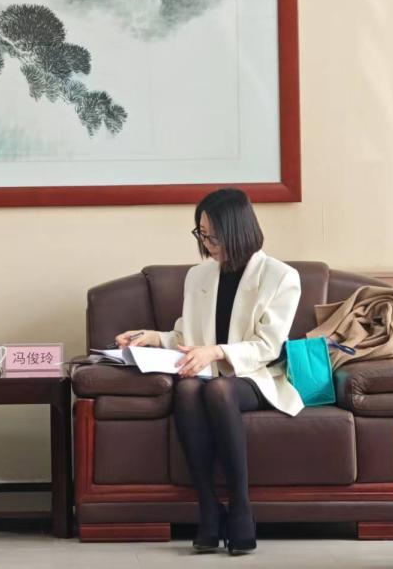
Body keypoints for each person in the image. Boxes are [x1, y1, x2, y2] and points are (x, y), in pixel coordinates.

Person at [115, 188, 303, 555]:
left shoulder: (281, 276)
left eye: (213, 236)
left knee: (219, 389)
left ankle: (241, 508)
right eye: (201, 234)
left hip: (256, 376)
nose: (206, 243)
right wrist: (150, 337)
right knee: (187, 389)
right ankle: (208, 507)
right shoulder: (198, 275)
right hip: (209, 374)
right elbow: (188, 337)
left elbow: (268, 346)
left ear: (238, 231)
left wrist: (216, 352)